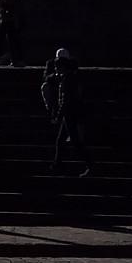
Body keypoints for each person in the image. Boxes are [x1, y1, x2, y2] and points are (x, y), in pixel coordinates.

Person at [40, 47, 90, 175]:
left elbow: (65, 100)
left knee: (74, 141)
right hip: (71, 113)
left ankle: (89, 164)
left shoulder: (66, 80)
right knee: (61, 140)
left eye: (57, 67)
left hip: (70, 114)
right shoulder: (70, 77)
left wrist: (58, 115)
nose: (55, 69)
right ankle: (57, 164)